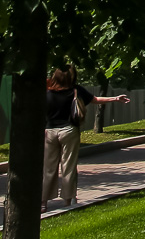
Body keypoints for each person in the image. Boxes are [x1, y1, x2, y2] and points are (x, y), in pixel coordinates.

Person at [43, 67, 129, 212]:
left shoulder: (47, 90)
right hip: (69, 130)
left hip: (49, 131)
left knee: (48, 168)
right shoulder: (75, 90)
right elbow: (95, 100)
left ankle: (43, 203)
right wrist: (115, 98)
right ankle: (67, 201)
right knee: (68, 166)